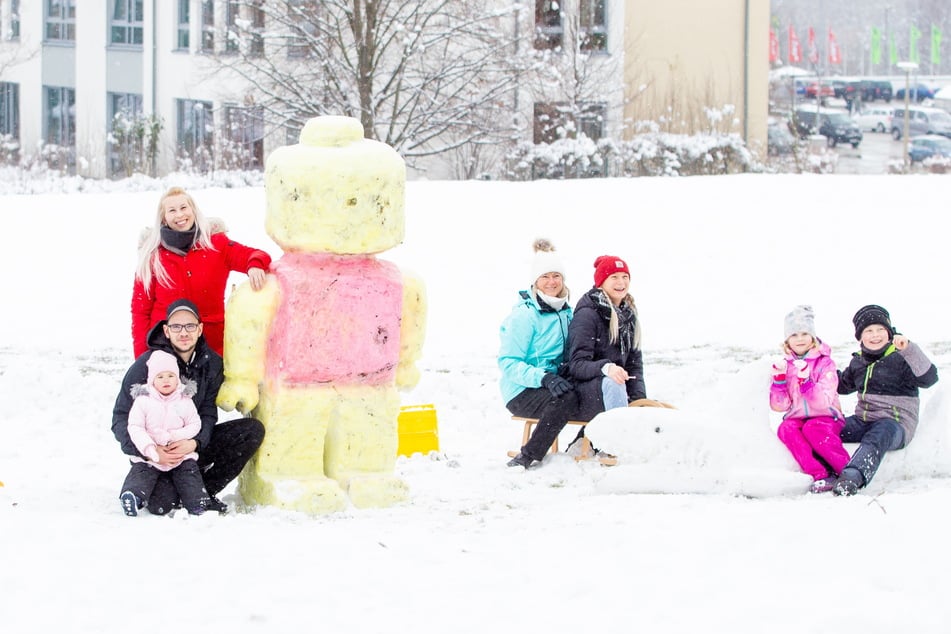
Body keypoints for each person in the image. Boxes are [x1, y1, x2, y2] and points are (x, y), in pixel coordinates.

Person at [112, 298, 265, 515]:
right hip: (155, 454)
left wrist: (195, 442)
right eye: (176, 326)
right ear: (166, 331)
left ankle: (204, 490)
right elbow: (120, 418)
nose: (184, 332)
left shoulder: (211, 364)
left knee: (250, 431)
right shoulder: (148, 365)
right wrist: (150, 452)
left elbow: (208, 414)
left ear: (200, 329)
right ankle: (171, 489)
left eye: (190, 326)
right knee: (161, 506)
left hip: (189, 447)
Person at [131, 186, 273, 358]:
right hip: (167, 350)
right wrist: (142, 357)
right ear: (164, 218)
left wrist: (255, 265)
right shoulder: (152, 256)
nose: (180, 215)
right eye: (172, 210)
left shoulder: (216, 244)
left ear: (193, 210)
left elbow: (255, 255)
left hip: (211, 348)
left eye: (184, 208)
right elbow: (140, 311)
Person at [834, 304, 938, 496]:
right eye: (869, 330)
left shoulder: (901, 357)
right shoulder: (858, 362)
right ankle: (825, 471)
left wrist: (909, 349)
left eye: (881, 329)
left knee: (878, 435)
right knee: (830, 428)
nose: (875, 335)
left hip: (895, 424)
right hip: (863, 420)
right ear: (860, 337)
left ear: (889, 333)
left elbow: (929, 379)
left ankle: (852, 477)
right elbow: (841, 385)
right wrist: (818, 368)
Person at [499, 239, 582, 469]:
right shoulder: (524, 316)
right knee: (567, 398)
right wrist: (544, 377)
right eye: (545, 277)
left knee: (591, 389)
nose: (551, 282)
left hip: (552, 384)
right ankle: (528, 455)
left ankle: (580, 445)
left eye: (556, 276)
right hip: (521, 390)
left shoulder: (567, 313)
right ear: (535, 281)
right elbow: (508, 362)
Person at [119, 350, 210, 517]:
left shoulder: (185, 400)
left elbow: (195, 424)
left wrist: (176, 437)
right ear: (152, 381)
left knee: (189, 474)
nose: (166, 380)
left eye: (170, 375)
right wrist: (149, 449)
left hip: (179, 453)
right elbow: (135, 427)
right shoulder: (143, 401)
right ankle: (133, 496)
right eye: (160, 377)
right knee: (142, 473)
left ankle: (198, 503)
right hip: (151, 454)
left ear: (177, 378)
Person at [769, 305, 849, 494]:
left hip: (826, 416)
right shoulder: (786, 365)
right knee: (786, 429)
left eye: (805, 334)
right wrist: (779, 381)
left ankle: (846, 471)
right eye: (794, 335)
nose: (800, 339)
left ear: (812, 337)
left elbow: (823, 401)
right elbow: (780, 406)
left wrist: (806, 381)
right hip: (797, 417)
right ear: (787, 339)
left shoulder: (825, 363)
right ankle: (819, 475)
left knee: (814, 428)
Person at [567, 255, 647, 424]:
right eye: (614, 277)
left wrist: (639, 401)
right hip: (582, 392)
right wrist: (606, 368)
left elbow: (634, 366)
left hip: (614, 389)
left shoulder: (628, 315)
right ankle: (619, 444)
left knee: (645, 407)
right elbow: (577, 365)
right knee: (613, 383)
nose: (621, 283)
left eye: (625, 277)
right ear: (601, 281)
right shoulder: (587, 314)